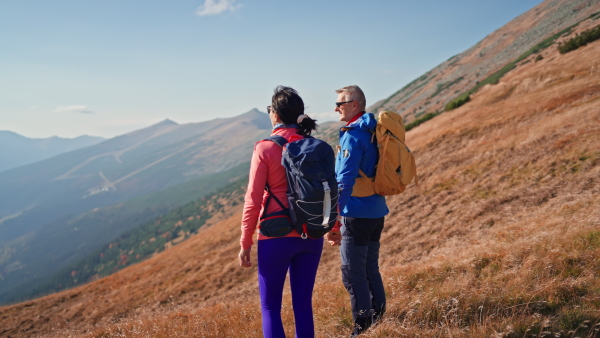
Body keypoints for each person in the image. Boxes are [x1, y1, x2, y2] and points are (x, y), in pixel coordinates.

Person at [238, 85, 322, 338]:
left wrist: (245, 241)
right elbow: (328, 189)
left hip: (276, 234)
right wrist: (334, 227)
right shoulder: (314, 145)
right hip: (311, 233)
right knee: (303, 305)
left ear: (275, 114)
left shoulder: (265, 148)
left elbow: (252, 199)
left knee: (270, 306)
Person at [325, 85, 389, 336]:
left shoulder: (353, 135)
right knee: (370, 268)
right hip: (377, 211)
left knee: (353, 274)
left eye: (340, 103)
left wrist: (334, 219)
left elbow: (344, 181)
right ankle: (380, 318)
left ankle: (362, 329)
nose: (336, 108)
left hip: (356, 214)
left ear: (355, 104)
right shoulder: (374, 131)